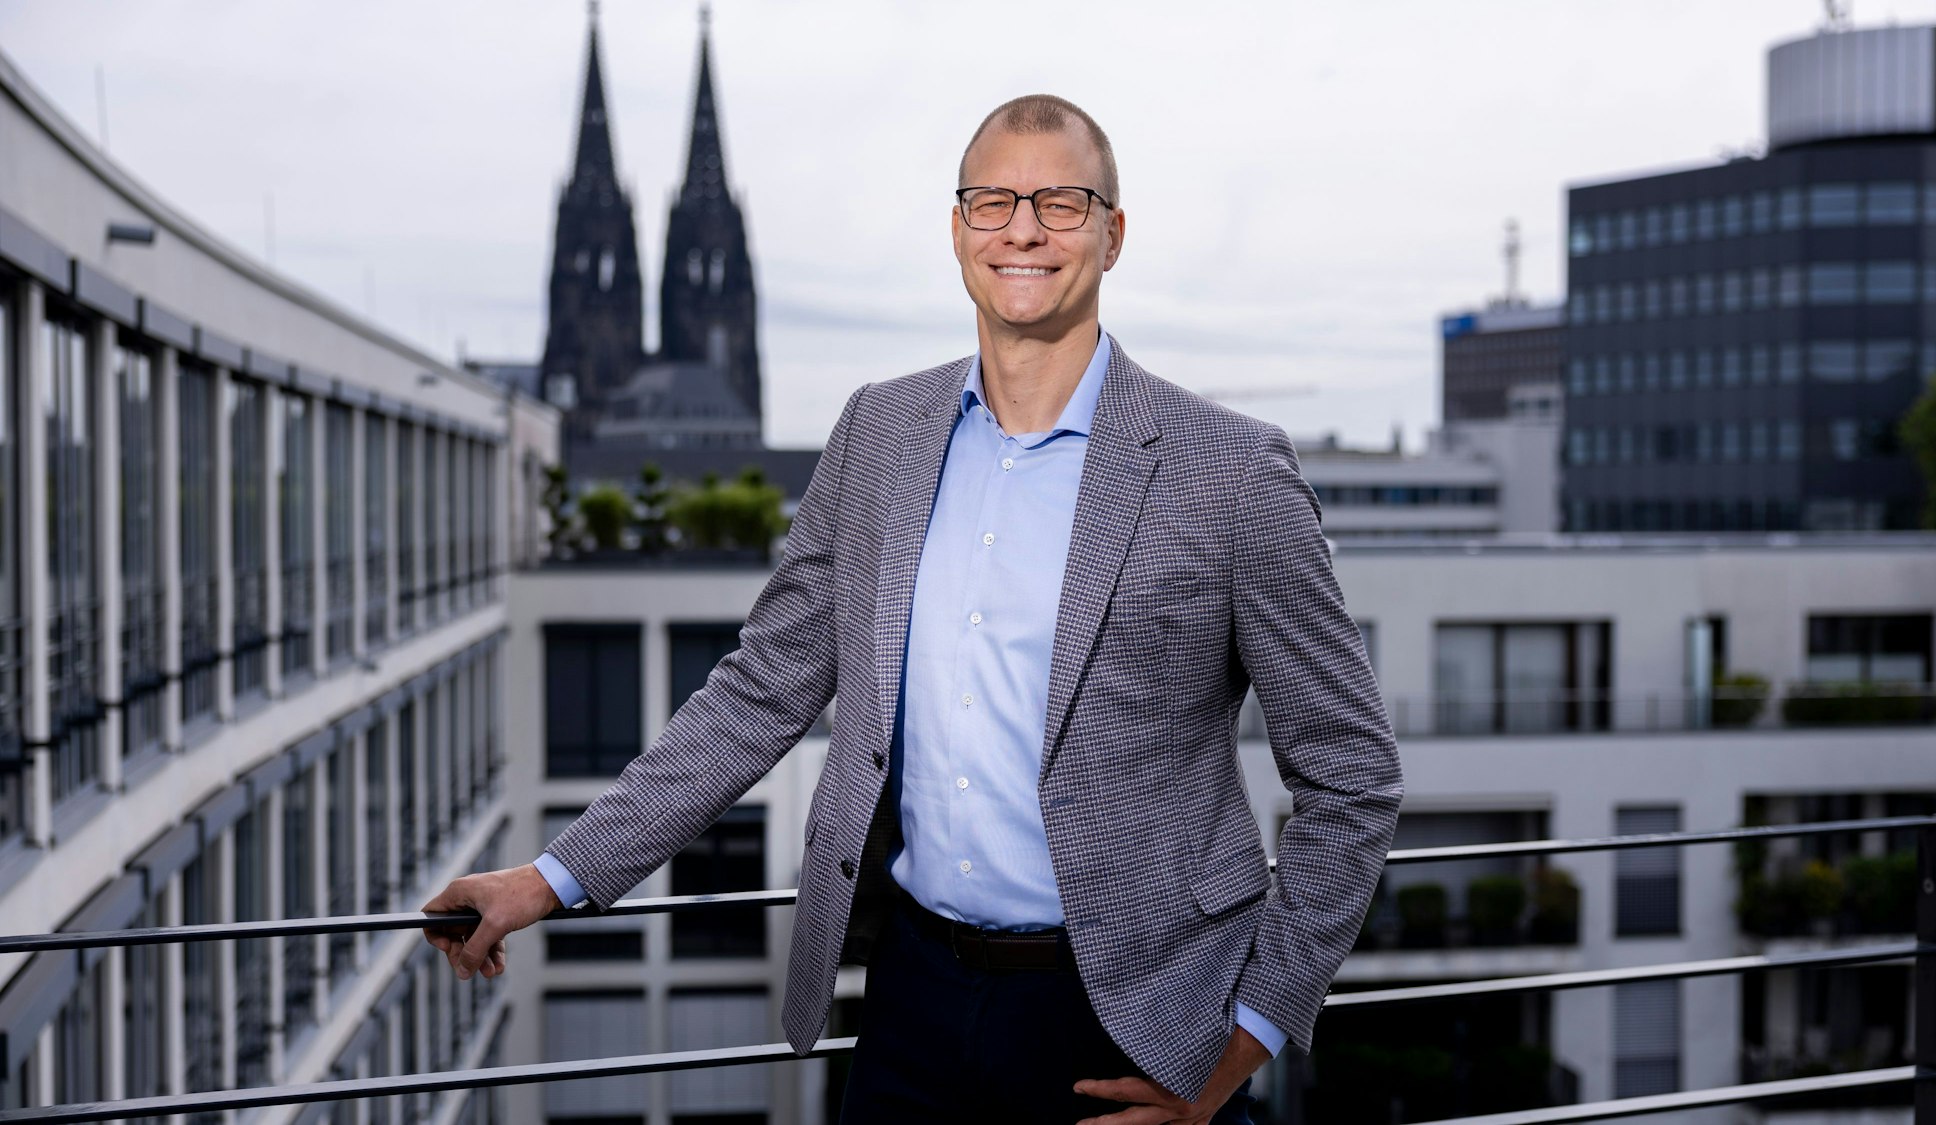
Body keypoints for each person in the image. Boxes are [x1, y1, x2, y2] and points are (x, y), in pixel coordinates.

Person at [422, 93, 1402, 1125]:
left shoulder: (1231, 471)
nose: (1021, 228)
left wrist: (1240, 1041)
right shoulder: (877, 432)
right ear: (957, 230)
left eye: (1059, 202)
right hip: (908, 999)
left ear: (1112, 235)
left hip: (1131, 1020)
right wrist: (552, 878)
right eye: (992, 201)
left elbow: (1351, 775)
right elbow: (757, 694)